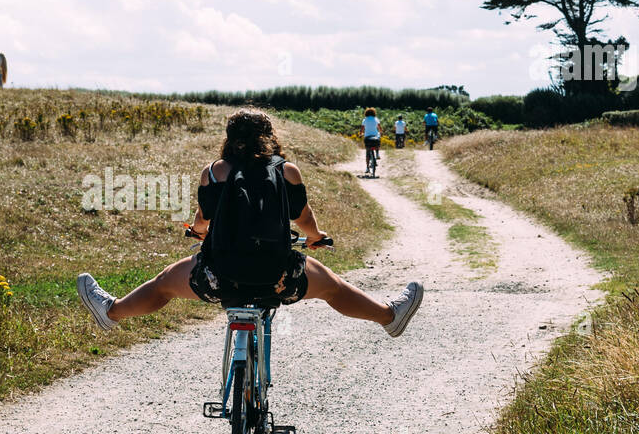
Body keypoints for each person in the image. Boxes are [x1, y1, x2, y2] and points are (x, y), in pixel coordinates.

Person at [76, 109, 424, 337]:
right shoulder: (286, 170)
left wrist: (197, 232)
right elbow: (302, 218)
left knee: (164, 283)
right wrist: (316, 238)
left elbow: (203, 219)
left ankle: (112, 313)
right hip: (278, 277)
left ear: (229, 137)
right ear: (269, 135)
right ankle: (388, 317)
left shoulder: (214, 171)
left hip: (218, 275)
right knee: (332, 287)